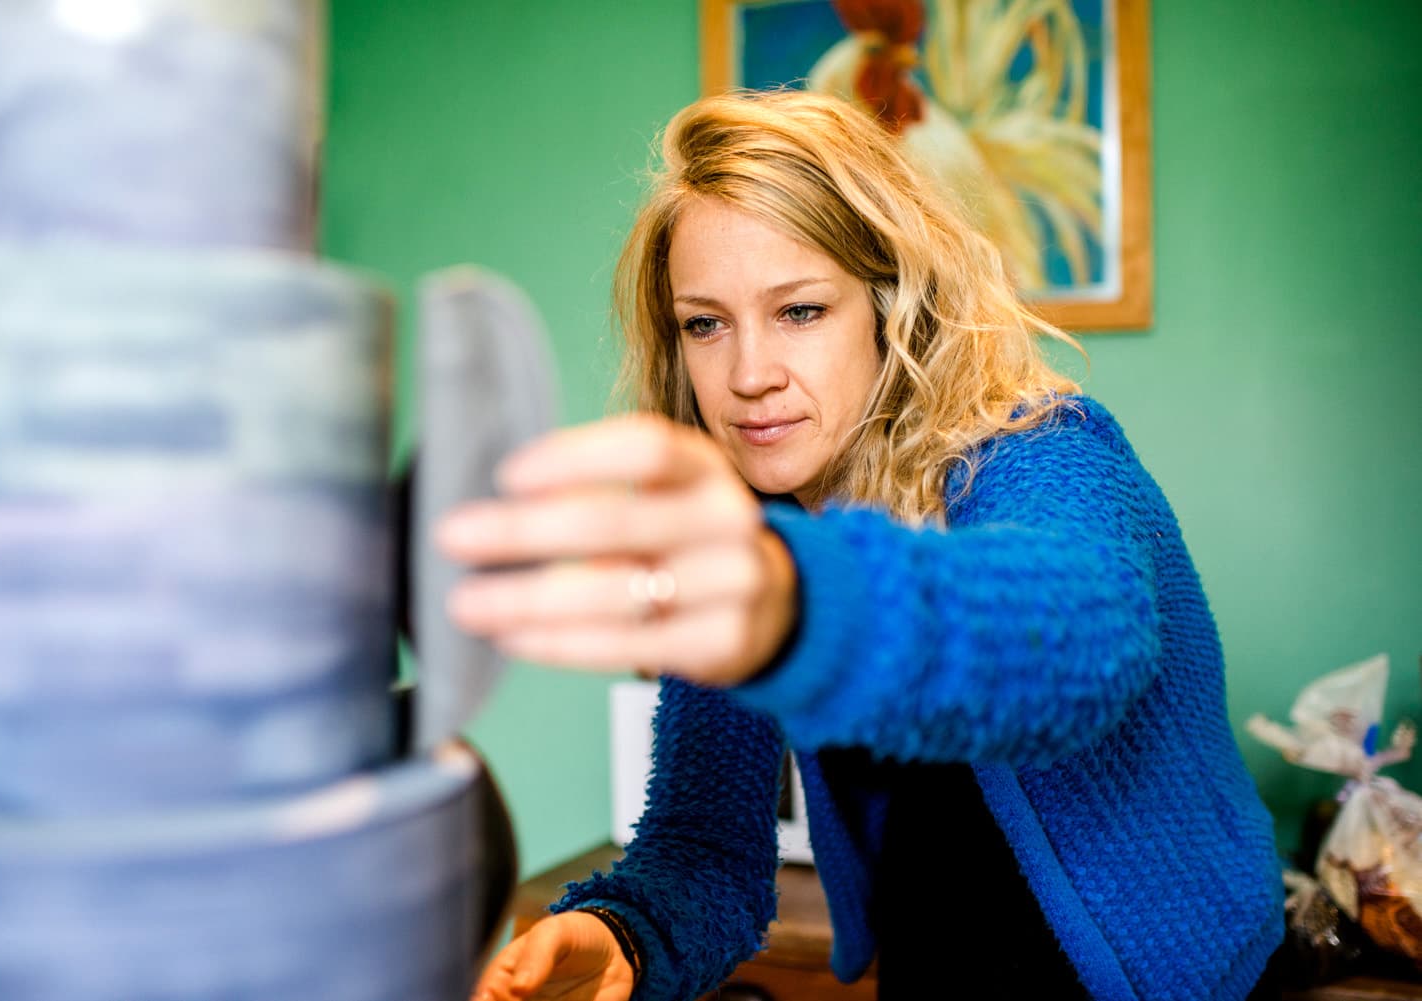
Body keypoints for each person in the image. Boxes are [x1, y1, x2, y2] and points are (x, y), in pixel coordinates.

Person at [440, 90, 1285, 1001]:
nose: (750, 374)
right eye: (705, 323)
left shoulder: (1046, 454)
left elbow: (1078, 642)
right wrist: (625, 936)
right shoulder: (752, 529)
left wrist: (791, 603)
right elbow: (706, 851)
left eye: (800, 310)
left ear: (892, 304)